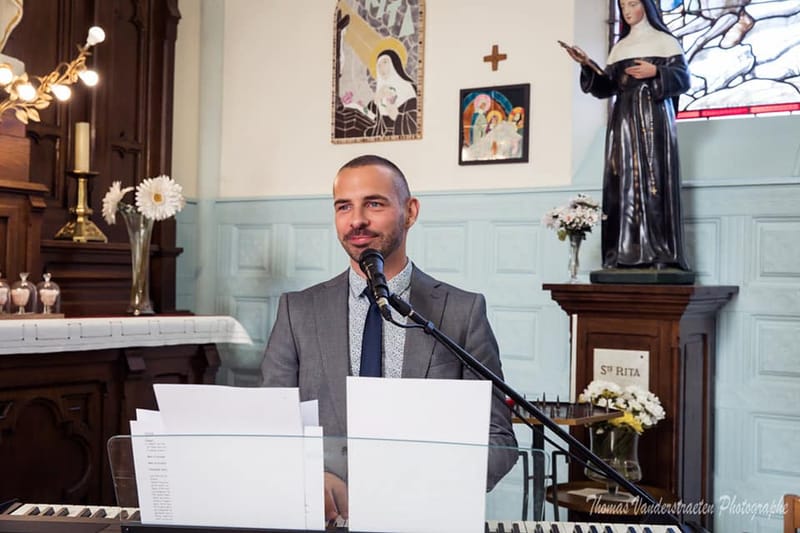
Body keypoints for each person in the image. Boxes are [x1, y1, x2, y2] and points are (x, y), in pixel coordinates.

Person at [261, 154, 518, 522]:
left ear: (410, 212)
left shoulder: (463, 312)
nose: (357, 220)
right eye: (343, 206)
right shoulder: (297, 311)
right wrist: (306, 480)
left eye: (374, 204)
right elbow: (273, 430)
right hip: (325, 521)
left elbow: (498, 438)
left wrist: (428, 487)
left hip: (427, 519)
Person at [564, 0, 691, 271]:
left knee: (654, 181)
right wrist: (587, 64)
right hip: (623, 124)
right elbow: (606, 87)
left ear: (647, 5)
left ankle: (660, 253)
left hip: (654, 121)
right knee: (622, 183)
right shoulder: (620, 48)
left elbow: (684, 79)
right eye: (623, 7)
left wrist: (657, 71)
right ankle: (622, 253)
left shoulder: (664, 42)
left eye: (633, 4)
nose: (627, 11)